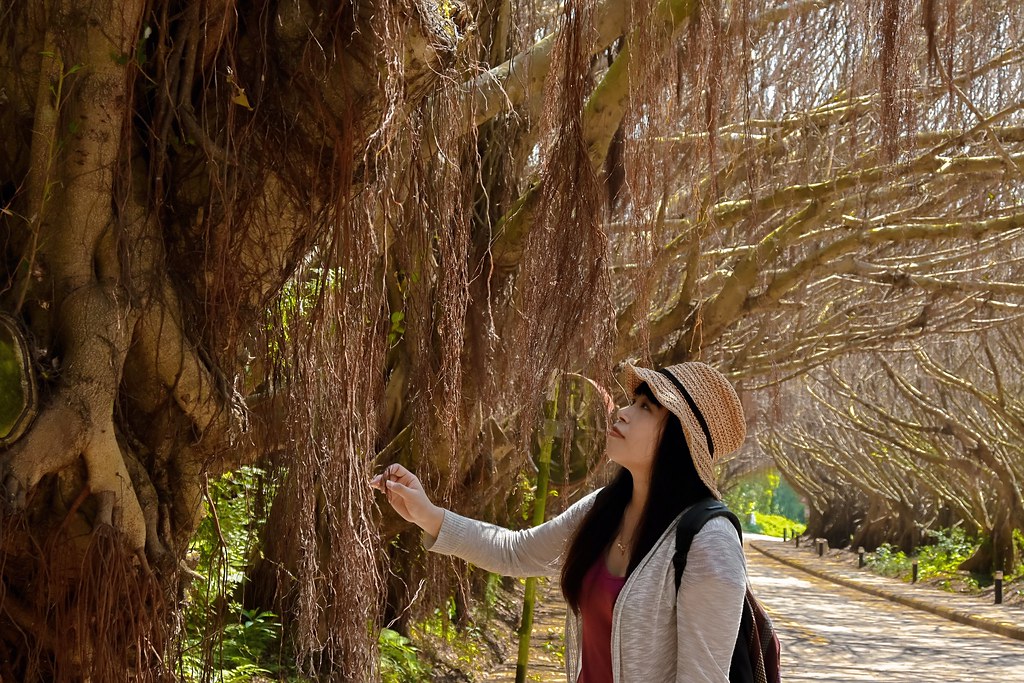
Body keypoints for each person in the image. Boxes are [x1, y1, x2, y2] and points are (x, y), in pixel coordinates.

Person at [370, 362, 749, 682]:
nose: (622, 411)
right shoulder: (604, 509)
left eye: (647, 408)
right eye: (633, 401)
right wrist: (427, 513)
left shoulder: (708, 541)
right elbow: (516, 552)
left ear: (682, 440)